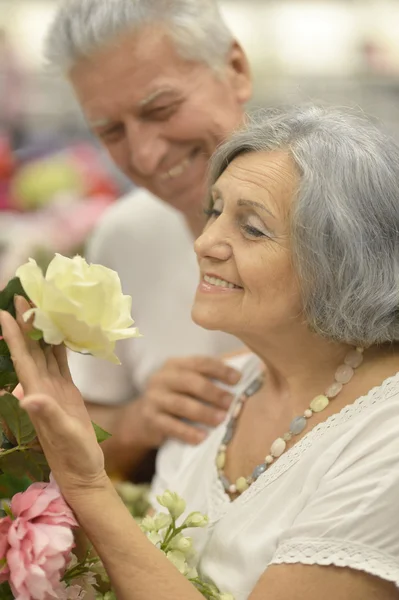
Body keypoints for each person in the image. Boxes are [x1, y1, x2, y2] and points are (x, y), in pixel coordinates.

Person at [3, 105, 399, 600]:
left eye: (251, 228)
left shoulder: (388, 436)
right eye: (214, 211)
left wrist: (86, 483)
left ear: (344, 263)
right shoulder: (215, 389)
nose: (206, 242)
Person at [44, 0, 253, 476]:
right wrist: (140, 419)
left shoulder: (355, 214)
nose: (145, 153)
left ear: (236, 70)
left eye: (162, 108)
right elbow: (91, 426)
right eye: (111, 131)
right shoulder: (125, 235)